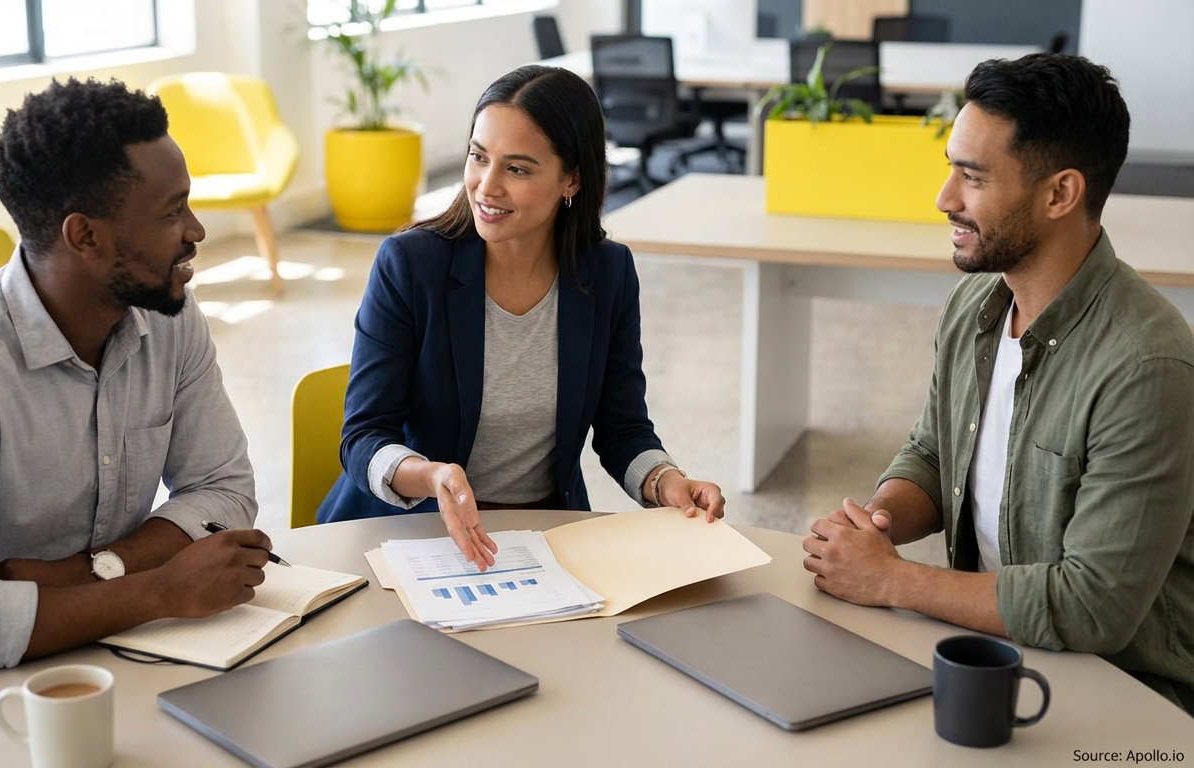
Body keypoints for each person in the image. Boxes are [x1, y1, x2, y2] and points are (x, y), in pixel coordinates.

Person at [0, 78, 273, 767]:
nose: (196, 231)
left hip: (94, 650)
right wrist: (159, 587)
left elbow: (223, 489)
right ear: (86, 236)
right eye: (173, 211)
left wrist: (88, 572)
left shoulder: (170, 318)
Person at [802, 53, 1194, 712]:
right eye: (951, 167)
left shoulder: (1147, 369)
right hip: (986, 647)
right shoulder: (977, 305)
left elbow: (1093, 607)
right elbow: (932, 453)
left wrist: (893, 581)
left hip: (1119, 691)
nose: (945, 197)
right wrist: (874, 527)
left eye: (973, 176)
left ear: (1060, 194)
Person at [316, 65, 727, 570]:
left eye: (517, 168)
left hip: (543, 535)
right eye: (478, 157)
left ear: (571, 178)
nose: (486, 187)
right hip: (407, 532)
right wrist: (431, 477)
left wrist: (667, 482)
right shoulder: (410, 264)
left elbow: (623, 430)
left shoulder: (607, 273)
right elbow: (362, 437)